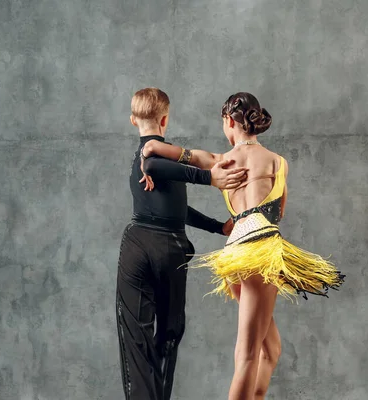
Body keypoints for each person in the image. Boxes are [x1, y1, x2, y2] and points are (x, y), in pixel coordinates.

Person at [140, 92, 345, 400]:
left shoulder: (219, 161)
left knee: (270, 349)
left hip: (234, 258)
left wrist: (147, 161)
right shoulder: (278, 163)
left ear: (229, 120)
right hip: (261, 254)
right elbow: (279, 213)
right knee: (247, 354)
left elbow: (156, 148)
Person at [116, 87, 247, 400]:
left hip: (142, 246)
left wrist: (218, 227)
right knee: (168, 333)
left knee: (145, 337)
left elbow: (177, 207)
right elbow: (155, 166)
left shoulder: (154, 157)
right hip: (169, 246)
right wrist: (209, 178)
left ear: (133, 120)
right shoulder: (154, 157)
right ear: (165, 119)